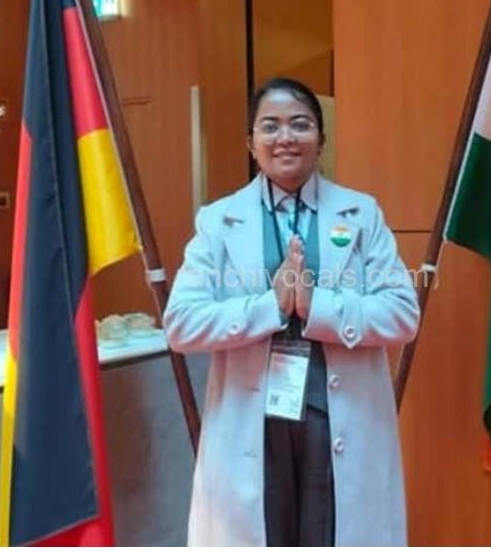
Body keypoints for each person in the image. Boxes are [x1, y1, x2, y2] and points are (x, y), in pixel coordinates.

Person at [163, 77, 420, 546]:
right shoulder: (219, 221)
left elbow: (402, 313)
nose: (285, 137)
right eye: (270, 126)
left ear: (321, 140)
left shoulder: (361, 213)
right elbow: (181, 324)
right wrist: (271, 306)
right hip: (253, 421)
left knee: (331, 532)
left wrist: (318, 306)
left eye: (300, 124)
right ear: (251, 143)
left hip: (337, 416)